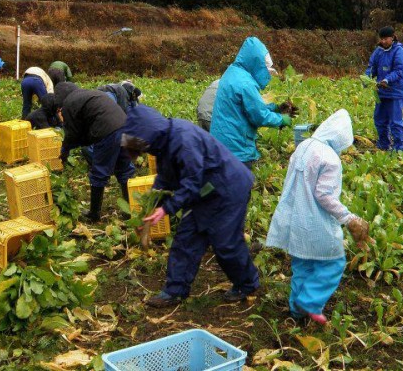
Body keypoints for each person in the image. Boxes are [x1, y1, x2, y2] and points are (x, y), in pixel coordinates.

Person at [120, 105, 260, 307]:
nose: (143, 152)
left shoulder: (183, 139)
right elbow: (165, 179)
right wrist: (152, 205)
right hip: (203, 193)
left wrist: (166, 209)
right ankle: (175, 291)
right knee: (186, 239)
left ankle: (247, 283)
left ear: (148, 135)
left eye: (142, 146)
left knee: (225, 242)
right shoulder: (162, 143)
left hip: (228, 188)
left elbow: (192, 181)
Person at [266, 110, 370, 325]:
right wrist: (348, 218)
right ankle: (309, 302)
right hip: (314, 221)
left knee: (302, 266)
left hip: (294, 217)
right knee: (333, 263)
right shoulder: (330, 158)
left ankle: (296, 312)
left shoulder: (305, 146)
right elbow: (324, 195)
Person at [55, 82, 135, 221]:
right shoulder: (88, 94)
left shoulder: (68, 103)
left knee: (99, 172)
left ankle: (94, 214)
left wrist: (65, 150)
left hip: (107, 130)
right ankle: (129, 211)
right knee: (124, 168)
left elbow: (72, 133)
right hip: (124, 124)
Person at [210, 37, 293, 168]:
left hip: (222, 142)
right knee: (240, 185)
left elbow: (248, 107)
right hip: (235, 147)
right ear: (256, 63)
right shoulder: (245, 83)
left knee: (223, 184)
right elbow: (259, 116)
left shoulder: (233, 72)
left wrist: (275, 108)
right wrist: (281, 119)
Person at [364, 26, 403, 151]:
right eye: (381, 39)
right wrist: (366, 77)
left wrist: (387, 79)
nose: (383, 42)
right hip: (381, 92)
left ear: (392, 38)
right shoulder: (378, 51)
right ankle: (383, 144)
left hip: (396, 92)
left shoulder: (399, 52)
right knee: (380, 119)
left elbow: (399, 71)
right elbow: (372, 66)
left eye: (386, 39)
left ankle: (399, 148)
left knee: (395, 121)